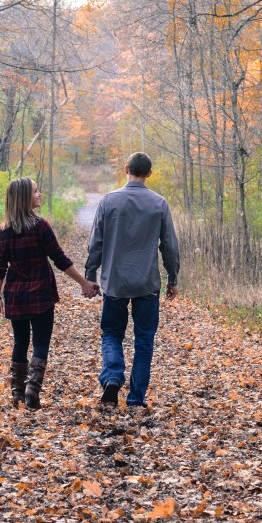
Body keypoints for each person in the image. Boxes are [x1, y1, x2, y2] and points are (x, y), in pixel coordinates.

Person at [0, 177, 99, 410]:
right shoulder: (41, 227)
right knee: (40, 343)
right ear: (24, 199)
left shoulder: (3, 232)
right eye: (36, 192)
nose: (40, 195)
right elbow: (60, 260)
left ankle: (17, 393)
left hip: (16, 295)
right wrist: (83, 283)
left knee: (20, 342)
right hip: (41, 294)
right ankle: (32, 390)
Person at [85, 152, 180, 411]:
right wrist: (173, 277)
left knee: (112, 334)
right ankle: (136, 398)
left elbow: (96, 243)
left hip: (115, 282)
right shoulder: (159, 203)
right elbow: (169, 246)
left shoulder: (108, 201)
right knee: (144, 340)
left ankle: (113, 376)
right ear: (149, 173)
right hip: (147, 284)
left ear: (126, 169)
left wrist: (90, 275)